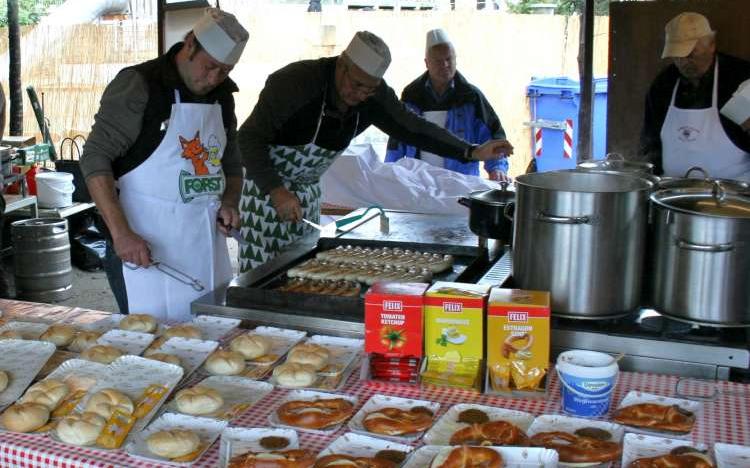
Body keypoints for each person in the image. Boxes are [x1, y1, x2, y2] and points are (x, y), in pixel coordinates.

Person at [237, 31, 513, 272]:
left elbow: (412, 127)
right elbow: (248, 138)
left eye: (369, 90)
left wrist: (471, 151)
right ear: (342, 64)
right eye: (356, 85)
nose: (359, 95)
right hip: (264, 193)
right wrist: (276, 190)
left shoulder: (372, 96)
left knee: (297, 268)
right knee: (263, 274)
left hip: (306, 195)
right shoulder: (295, 83)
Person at [80, 8, 249, 321]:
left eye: (224, 71)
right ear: (189, 45)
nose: (213, 79)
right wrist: (121, 233)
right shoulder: (140, 85)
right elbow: (94, 158)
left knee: (212, 332)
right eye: (209, 66)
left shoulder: (223, 96)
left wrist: (229, 202)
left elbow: (232, 163)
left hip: (205, 246)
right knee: (150, 340)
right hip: (144, 247)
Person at [386, 29, 509, 181]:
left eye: (449, 59)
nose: (445, 65)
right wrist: (388, 171)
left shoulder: (471, 97)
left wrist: (497, 168)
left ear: (456, 59)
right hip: (418, 181)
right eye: (438, 61)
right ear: (426, 63)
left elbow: (493, 136)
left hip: (462, 182)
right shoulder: (412, 95)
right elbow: (397, 140)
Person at [639, 12, 750, 181]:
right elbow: (650, 142)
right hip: (674, 193)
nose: (683, 62)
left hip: (733, 195)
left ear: (711, 44)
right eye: (677, 55)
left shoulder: (739, 78)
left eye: (690, 54)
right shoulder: (663, 85)